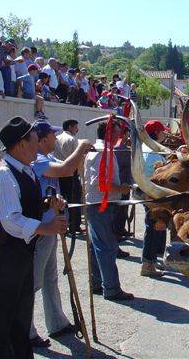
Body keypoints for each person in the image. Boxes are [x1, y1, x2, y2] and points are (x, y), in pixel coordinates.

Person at [0, 116, 68, 359]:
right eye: (33, 140)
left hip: (20, 251)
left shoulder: (26, 169)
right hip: (3, 252)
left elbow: (25, 206)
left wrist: (47, 203)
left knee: (21, 312)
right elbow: (11, 220)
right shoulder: (5, 175)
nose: (38, 145)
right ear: (20, 145)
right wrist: (46, 228)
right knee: (3, 316)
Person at [29, 120, 93, 347]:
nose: (56, 139)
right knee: (33, 282)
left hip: (52, 227)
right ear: (43, 139)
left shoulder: (48, 158)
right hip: (39, 230)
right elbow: (66, 169)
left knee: (50, 278)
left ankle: (56, 322)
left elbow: (70, 168)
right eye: (52, 136)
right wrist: (80, 146)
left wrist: (82, 154)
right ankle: (25, 330)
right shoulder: (35, 160)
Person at [83, 120, 134, 300]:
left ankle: (98, 282)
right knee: (106, 247)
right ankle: (111, 288)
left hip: (98, 204)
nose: (120, 136)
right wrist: (122, 189)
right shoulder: (102, 152)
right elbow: (101, 183)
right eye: (117, 132)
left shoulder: (100, 150)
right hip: (101, 205)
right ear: (109, 133)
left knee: (98, 246)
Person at [141, 120, 169, 278]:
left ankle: (151, 260)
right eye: (162, 131)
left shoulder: (150, 149)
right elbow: (157, 176)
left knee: (154, 229)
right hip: (153, 196)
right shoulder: (152, 152)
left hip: (152, 194)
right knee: (152, 229)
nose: (165, 134)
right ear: (157, 133)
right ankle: (147, 264)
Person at [54, 119, 85, 234]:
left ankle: (63, 224)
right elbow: (77, 159)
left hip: (58, 173)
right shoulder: (73, 139)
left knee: (61, 200)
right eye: (76, 127)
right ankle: (74, 225)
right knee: (74, 200)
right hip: (71, 173)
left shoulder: (56, 139)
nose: (77, 129)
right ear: (70, 127)